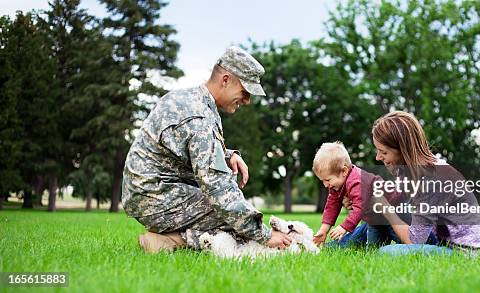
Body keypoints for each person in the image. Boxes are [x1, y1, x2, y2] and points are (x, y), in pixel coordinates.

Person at [121, 46, 291, 253]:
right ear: (226, 80)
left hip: (147, 190)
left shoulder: (191, 100)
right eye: (245, 91)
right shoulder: (199, 118)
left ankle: (172, 239)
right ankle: (167, 242)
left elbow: (182, 150)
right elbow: (218, 189)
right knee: (233, 215)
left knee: (237, 214)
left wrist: (227, 156)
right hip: (153, 196)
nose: (247, 101)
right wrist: (264, 234)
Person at [371, 111, 480, 256]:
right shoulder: (409, 172)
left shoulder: (432, 178)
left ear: (402, 149)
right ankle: (340, 244)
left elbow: (414, 240)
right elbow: (394, 201)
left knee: (386, 252)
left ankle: (366, 249)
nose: (378, 157)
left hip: (465, 252)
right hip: (440, 241)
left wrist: (385, 207)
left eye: (383, 152)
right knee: (377, 213)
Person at [311, 141, 401, 248]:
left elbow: (360, 208)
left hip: (394, 215)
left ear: (344, 171)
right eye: (322, 181)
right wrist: (323, 230)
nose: (326, 185)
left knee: (407, 241)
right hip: (374, 220)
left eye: (327, 180)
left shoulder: (356, 180)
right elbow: (332, 205)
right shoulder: (336, 185)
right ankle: (331, 248)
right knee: (373, 250)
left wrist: (345, 227)